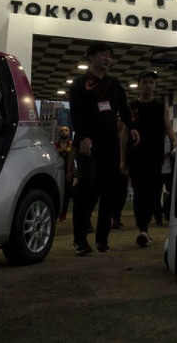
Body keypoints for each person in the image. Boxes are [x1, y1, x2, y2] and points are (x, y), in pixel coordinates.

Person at [68, 41, 138, 255]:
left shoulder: (114, 85)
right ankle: (80, 240)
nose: (107, 59)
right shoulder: (80, 84)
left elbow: (124, 109)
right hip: (89, 144)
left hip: (110, 144)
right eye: (102, 55)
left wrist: (132, 127)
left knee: (110, 191)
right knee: (87, 187)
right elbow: (76, 114)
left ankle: (102, 240)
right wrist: (83, 138)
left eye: (109, 55)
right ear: (91, 57)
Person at [127, 71, 177, 248]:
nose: (148, 85)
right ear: (140, 84)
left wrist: (175, 142)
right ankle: (143, 228)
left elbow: (168, 128)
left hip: (156, 157)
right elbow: (125, 132)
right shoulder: (132, 106)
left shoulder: (160, 106)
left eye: (151, 83)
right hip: (137, 156)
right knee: (141, 192)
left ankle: (145, 226)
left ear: (155, 85)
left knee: (154, 194)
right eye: (145, 82)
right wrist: (121, 159)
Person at [54, 125, 74, 221]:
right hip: (58, 172)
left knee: (68, 193)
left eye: (66, 130)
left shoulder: (72, 145)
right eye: (62, 131)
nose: (64, 132)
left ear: (69, 133)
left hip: (69, 172)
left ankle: (63, 214)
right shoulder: (55, 146)